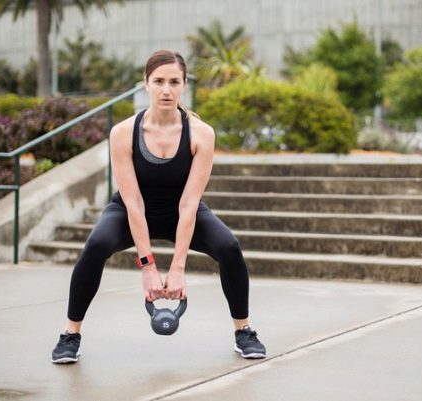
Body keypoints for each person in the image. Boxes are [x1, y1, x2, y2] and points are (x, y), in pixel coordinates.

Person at [51, 50, 266, 364]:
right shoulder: (123, 133)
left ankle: (243, 330)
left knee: (229, 246)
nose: (167, 90)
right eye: (159, 81)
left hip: (181, 211)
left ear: (184, 85)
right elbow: (134, 202)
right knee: (96, 244)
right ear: (146, 83)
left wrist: (177, 269)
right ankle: (71, 333)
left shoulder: (201, 134)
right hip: (131, 210)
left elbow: (189, 203)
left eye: (174, 82)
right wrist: (148, 268)